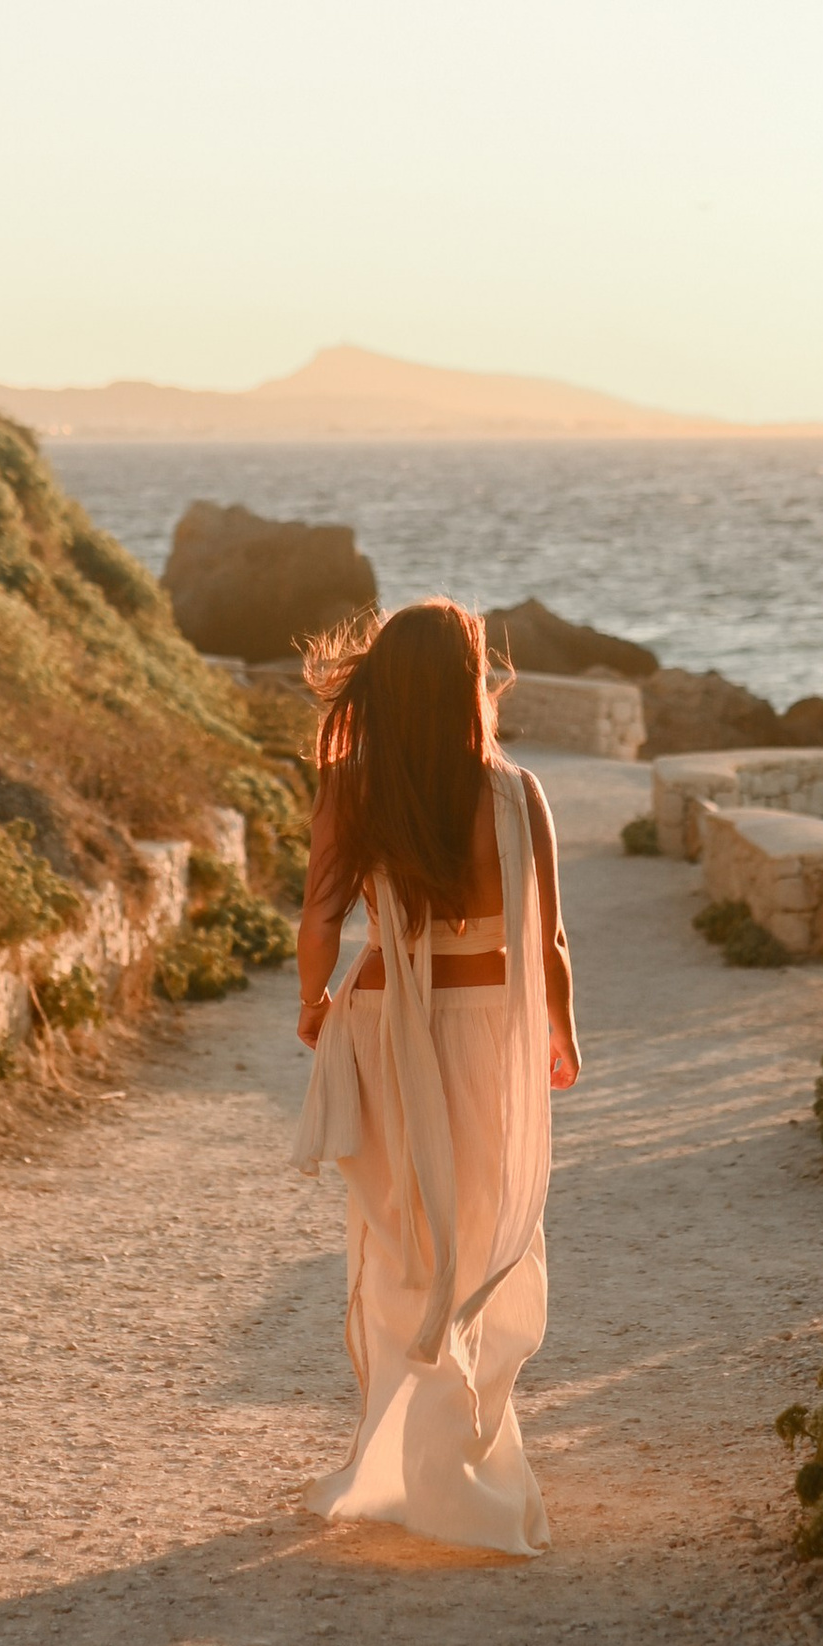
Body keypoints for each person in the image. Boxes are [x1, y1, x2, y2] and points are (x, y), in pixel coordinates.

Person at [290, 600, 581, 1557]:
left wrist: (309, 1003)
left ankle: (407, 1466)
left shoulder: (354, 786)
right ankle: (464, 1458)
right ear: (466, 684)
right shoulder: (515, 793)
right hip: (487, 1034)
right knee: (486, 1234)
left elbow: (323, 920)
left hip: (382, 1025)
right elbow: (548, 942)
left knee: (401, 1245)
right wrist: (560, 1033)